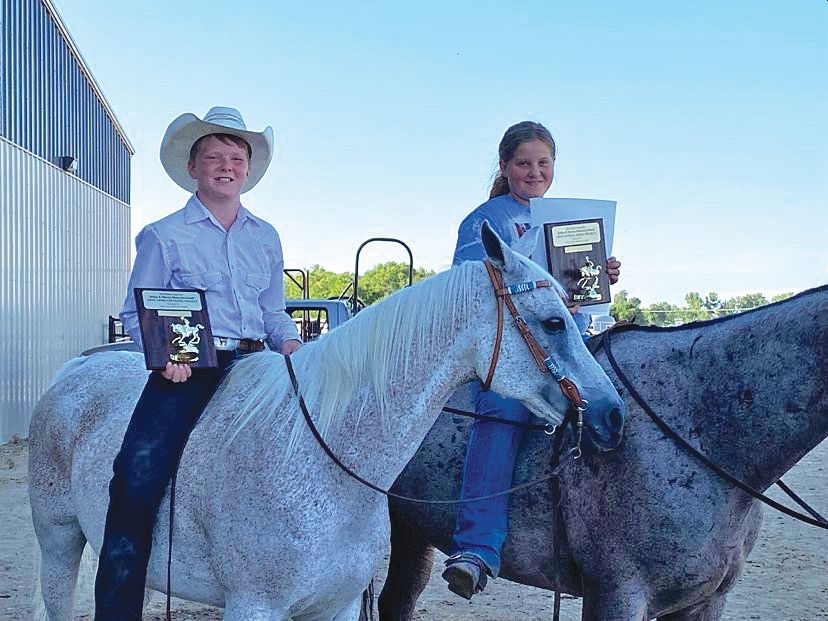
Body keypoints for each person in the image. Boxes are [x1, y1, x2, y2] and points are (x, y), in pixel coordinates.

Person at [94, 106, 302, 619]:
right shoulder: (163, 235)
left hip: (260, 364)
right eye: (214, 157)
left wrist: (294, 347)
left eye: (237, 158)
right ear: (193, 168)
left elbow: (273, 310)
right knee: (135, 476)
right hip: (189, 369)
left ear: (248, 170)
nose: (227, 166)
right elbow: (136, 307)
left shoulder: (267, 236)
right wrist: (166, 358)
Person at [442, 121, 621, 600]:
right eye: (523, 163)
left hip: (575, 340)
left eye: (543, 163)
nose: (534, 172)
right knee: (502, 410)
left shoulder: (572, 216)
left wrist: (598, 277)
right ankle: (477, 546)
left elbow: (579, 295)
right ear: (504, 167)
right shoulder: (486, 219)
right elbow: (469, 287)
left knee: (620, 402)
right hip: (516, 352)